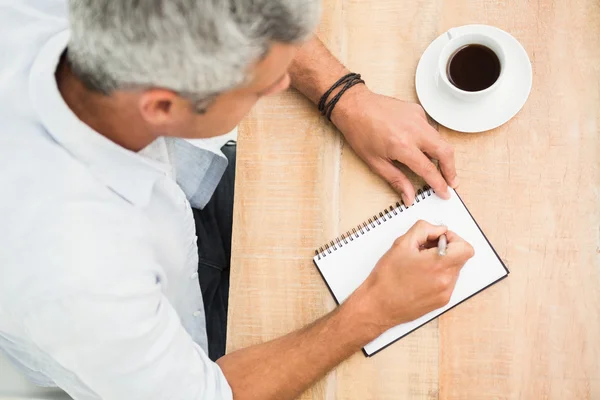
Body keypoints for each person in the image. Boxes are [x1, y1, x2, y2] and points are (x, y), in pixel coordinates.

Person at [0, 1, 474, 399]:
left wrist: (344, 97)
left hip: (177, 198)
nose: (282, 84)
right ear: (162, 105)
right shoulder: (77, 277)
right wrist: (375, 310)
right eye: (260, 85)